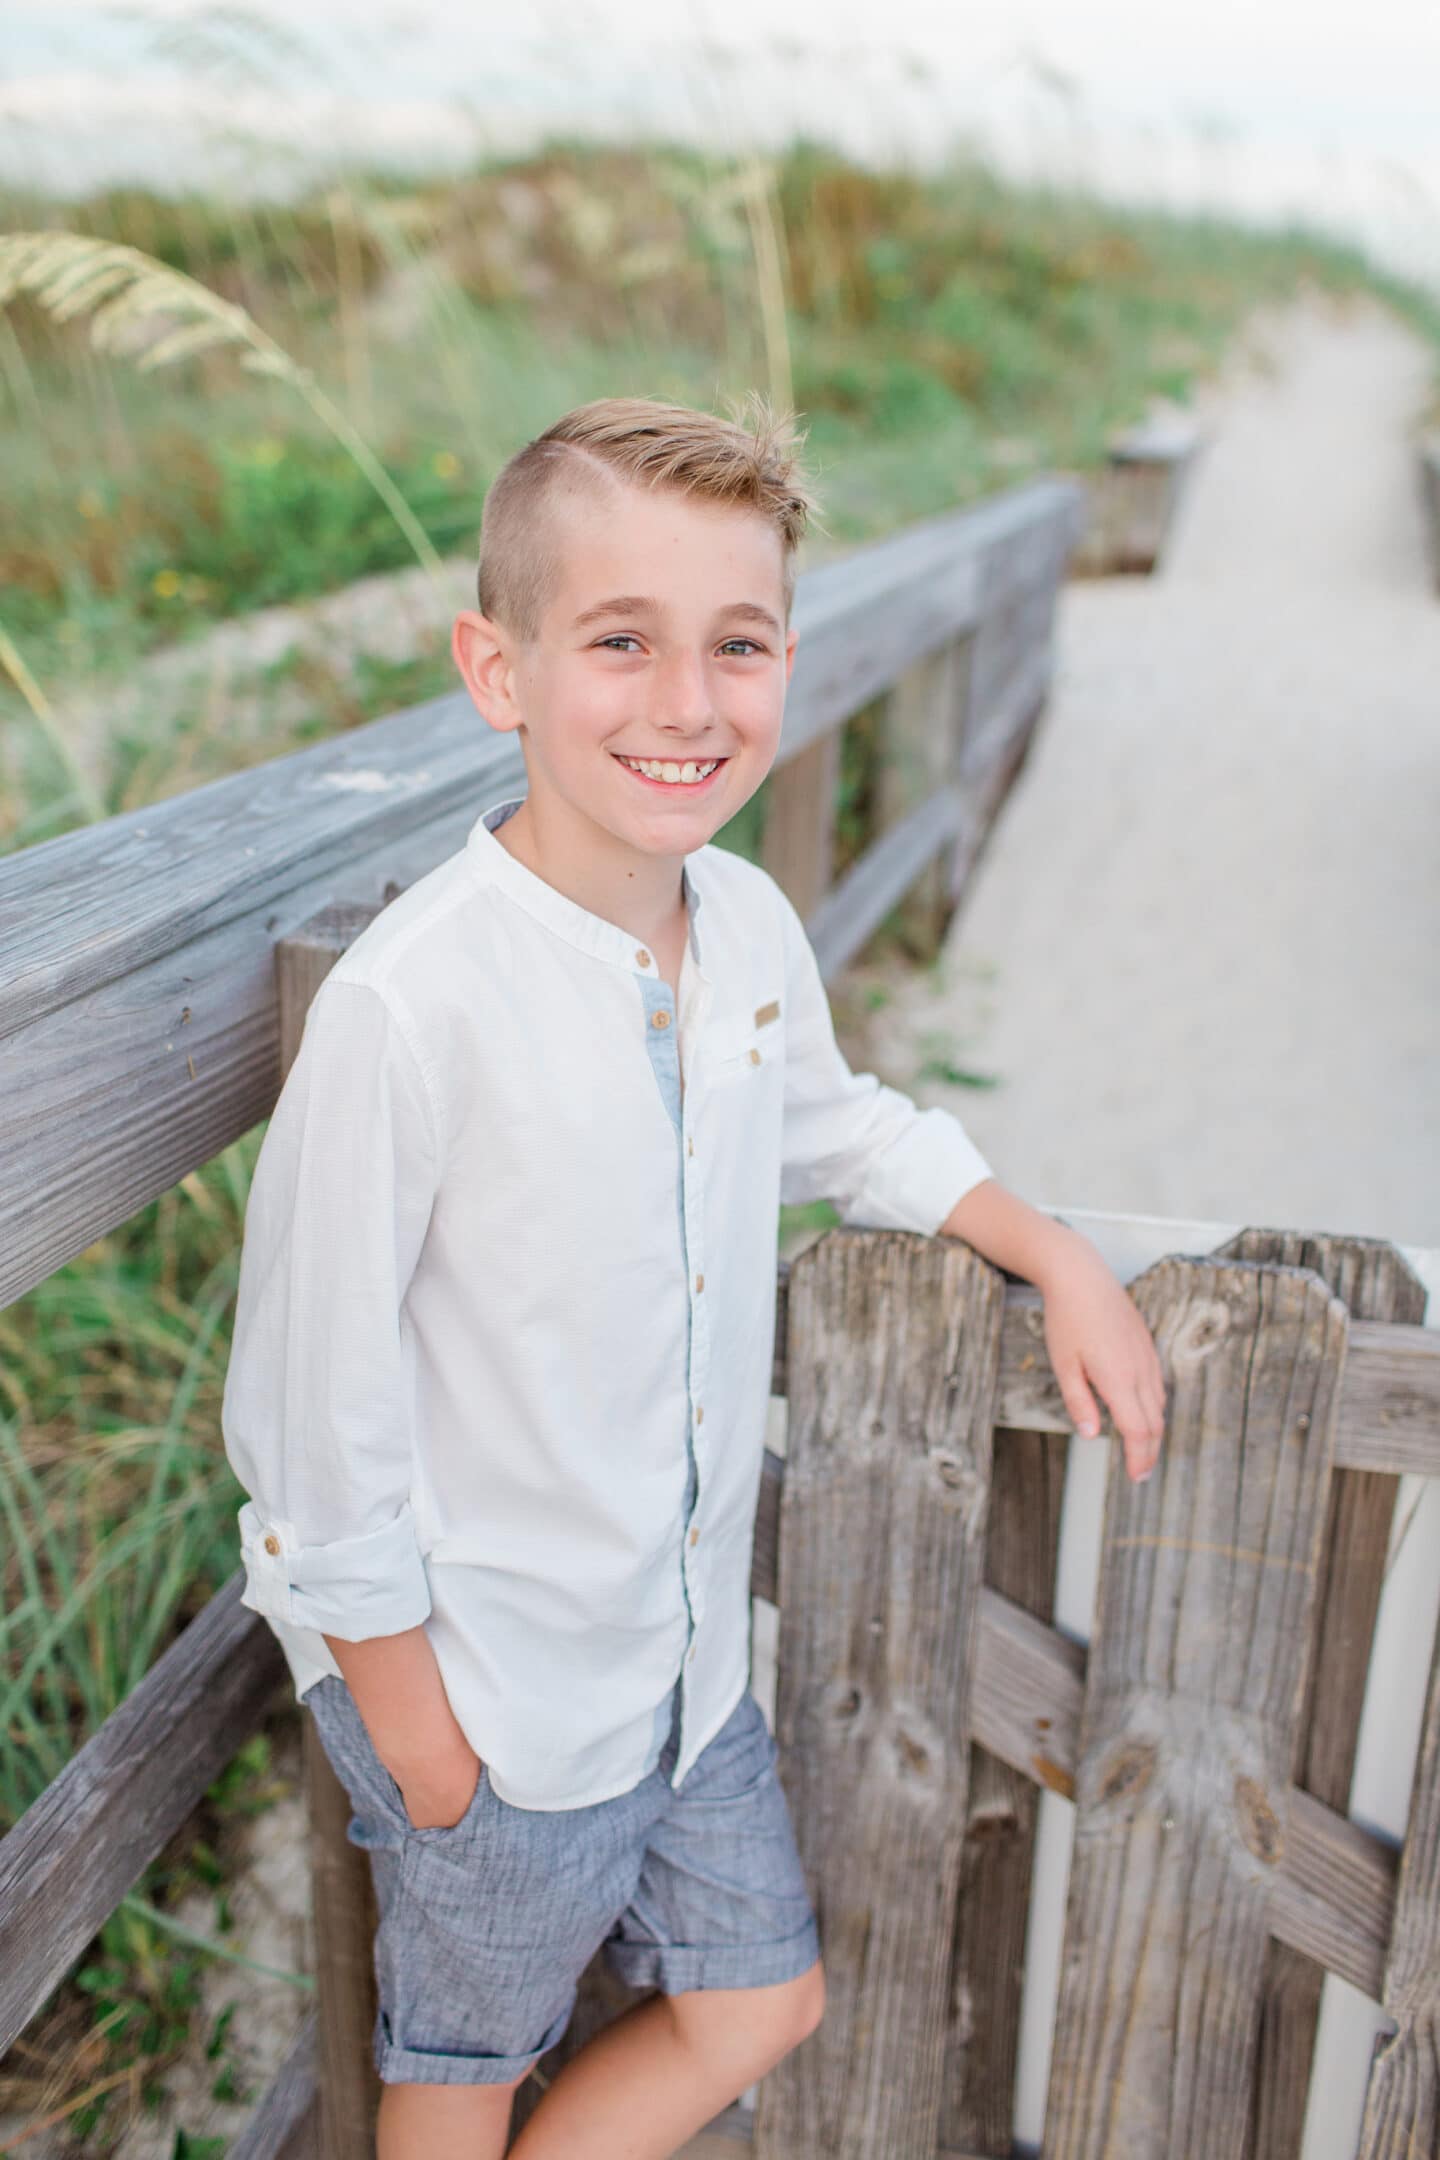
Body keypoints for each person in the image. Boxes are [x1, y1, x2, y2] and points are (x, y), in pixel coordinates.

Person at [221, 392, 1166, 2160]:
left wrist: (1050, 1251)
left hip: (684, 1680)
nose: (687, 702)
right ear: (498, 670)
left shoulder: (742, 926)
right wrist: (429, 1751)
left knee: (760, 1998)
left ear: (787, 663)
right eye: (620, 643)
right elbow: (308, 1424)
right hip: (493, 1698)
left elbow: (844, 1128)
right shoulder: (411, 1012)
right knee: (459, 2073)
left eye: (736, 645)